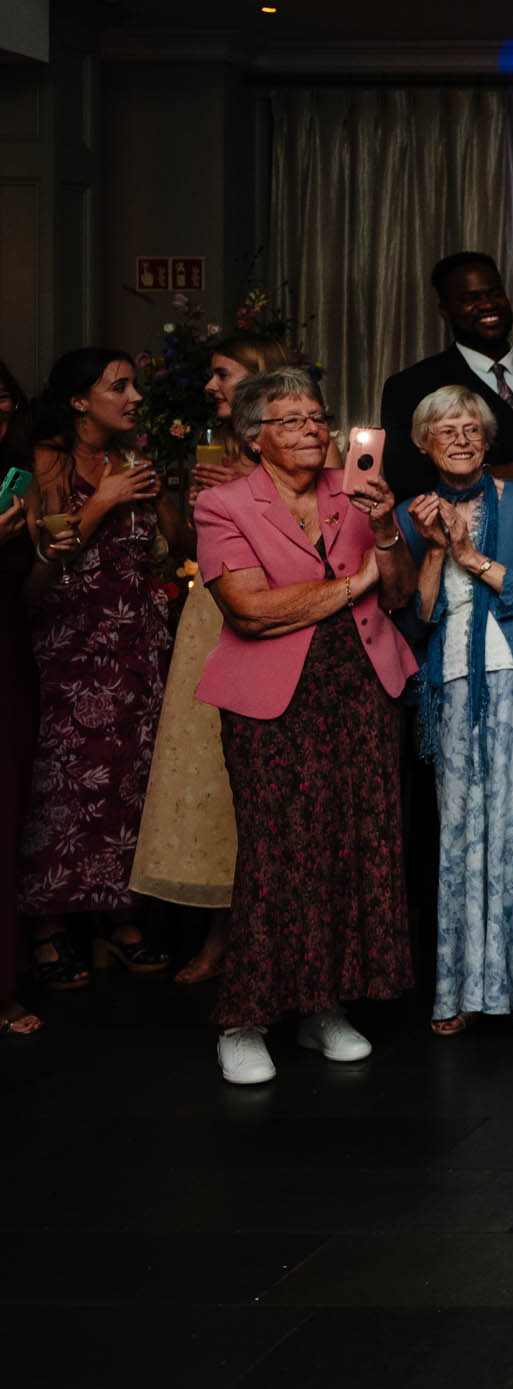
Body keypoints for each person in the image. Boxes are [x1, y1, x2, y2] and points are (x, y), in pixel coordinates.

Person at [192, 367, 419, 1084]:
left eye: (319, 417)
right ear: (253, 435)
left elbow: (405, 593)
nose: (313, 430)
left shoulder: (352, 491)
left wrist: (386, 529)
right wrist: (358, 583)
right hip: (272, 701)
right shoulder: (222, 503)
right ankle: (244, 1019)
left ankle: (323, 1009)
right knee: (277, 853)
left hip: (361, 691)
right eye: (291, 419)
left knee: (356, 848)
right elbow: (251, 610)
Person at [395, 386, 513, 1035]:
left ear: (488, 437)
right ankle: (464, 990)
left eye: (472, 426)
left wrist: (475, 558)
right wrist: (438, 548)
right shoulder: (406, 513)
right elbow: (413, 619)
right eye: (446, 428)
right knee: (461, 840)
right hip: (452, 686)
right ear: (423, 442)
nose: (462, 437)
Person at [130, 333, 302, 985]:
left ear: (257, 381)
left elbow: (314, 537)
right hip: (210, 616)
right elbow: (188, 546)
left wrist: (250, 492)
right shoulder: (213, 447)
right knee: (212, 777)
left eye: (221, 374)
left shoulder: (298, 450)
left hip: (271, 616)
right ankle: (220, 933)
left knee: (268, 782)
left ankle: (280, 935)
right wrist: (170, 502)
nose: (210, 387)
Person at [20, 348, 187, 986]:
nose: (136, 397)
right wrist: (103, 499)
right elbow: (38, 574)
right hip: (69, 648)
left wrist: (165, 493)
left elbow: (176, 551)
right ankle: (50, 927)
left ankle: (119, 921)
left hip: (137, 648)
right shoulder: (45, 464)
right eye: (119, 387)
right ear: (79, 401)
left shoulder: (134, 462)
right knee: (61, 790)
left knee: (130, 786)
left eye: (135, 385)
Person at [380, 252, 513, 505]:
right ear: (445, 311)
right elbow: (405, 480)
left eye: (495, 293)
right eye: (470, 298)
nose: (488, 304)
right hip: (472, 536)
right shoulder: (410, 386)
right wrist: (492, 476)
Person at [0, 361, 49, 1035]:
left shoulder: (19, 480)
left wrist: (46, 551)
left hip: (6, 649)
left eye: (4, 402)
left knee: (7, 814)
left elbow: (31, 592)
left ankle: (3, 988)